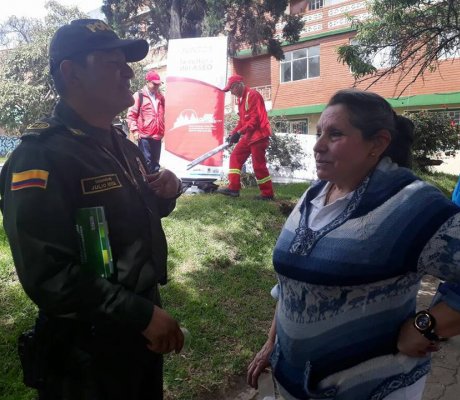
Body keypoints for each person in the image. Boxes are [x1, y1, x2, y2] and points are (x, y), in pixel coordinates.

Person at [0, 19, 184, 400]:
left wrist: (166, 191)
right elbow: (47, 273)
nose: (127, 72)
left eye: (127, 64)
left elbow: (134, 213)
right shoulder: (39, 157)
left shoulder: (120, 144)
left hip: (140, 336)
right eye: (112, 63)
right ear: (71, 73)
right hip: (87, 353)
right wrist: (141, 315)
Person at [247, 89, 460, 400]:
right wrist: (272, 343)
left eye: (335, 134)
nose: (317, 146)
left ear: (378, 143)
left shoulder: (412, 205)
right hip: (295, 384)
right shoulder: (313, 195)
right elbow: (292, 284)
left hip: (374, 387)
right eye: (319, 133)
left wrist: (426, 324)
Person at [216, 74, 275, 200]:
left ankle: (267, 194)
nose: (231, 93)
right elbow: (242, 122)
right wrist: (233, 133)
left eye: (231, 89)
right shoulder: (241, 99)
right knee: (235, 156)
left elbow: (255, 120)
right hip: (249, 136)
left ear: (238, 85)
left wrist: (239, 133)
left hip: (259, 136)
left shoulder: (252, 95)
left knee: (258, 165)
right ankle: (233, 189)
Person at [127, 70, 165, 173]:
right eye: (154, 84)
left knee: (156, 164)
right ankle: (147, 186)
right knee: (146, 163)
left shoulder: (160, 97)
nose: (157, 86)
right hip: (144, 136)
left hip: (157, 135)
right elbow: (131, 115)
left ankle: (156, 187)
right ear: (147, 82)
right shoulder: (139, 95)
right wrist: (135, 131)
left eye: (158, 84)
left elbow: (162, 115)